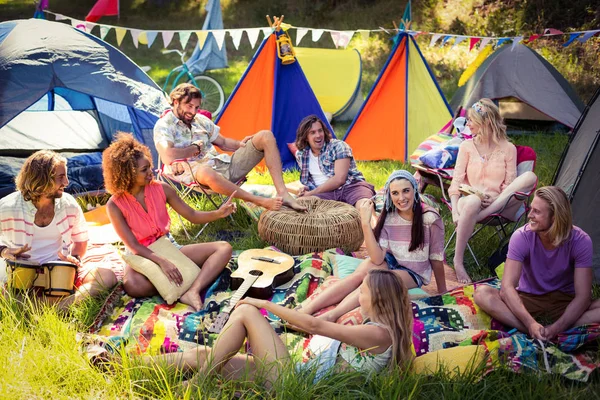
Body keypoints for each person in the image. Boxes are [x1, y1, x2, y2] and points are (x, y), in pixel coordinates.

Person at [144, 269, 414, 386]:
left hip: (293, 384)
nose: (358, 297)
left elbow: (313, 324)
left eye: (362, 292)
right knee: (204, 356)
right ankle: (132, 366)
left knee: (248, 310)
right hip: (296, 373)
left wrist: (266, 304)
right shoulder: (379, 328)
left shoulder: (377, 334)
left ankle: (199, 384)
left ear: (377, 299)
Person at [103, 134, 234, 311]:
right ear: (127, 173)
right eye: (144, 170)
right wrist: (162, 262)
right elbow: (133, 245)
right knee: (133, 285)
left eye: (149, 166)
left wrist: (218, 214)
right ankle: (183, 277)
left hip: (169, 246)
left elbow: (192, 214)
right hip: (141, 254)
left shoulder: (162, 188)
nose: (151, 172)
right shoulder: (114, 205)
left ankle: (192, 290)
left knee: (224, 248)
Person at [299, 170, 447, 322]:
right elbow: (377, 259)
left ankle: (331, 316)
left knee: (371, 283)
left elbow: (436, 257)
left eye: (406, 191)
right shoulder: (389, 214)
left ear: (415, 189)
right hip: (389, 260)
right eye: (395, 193)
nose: (401, 198)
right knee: (357, 276)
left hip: (412, 271)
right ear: (390, 195)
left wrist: (443, 291)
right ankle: (305, 310)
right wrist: (365, 223)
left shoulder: (430, 218)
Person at [154, 83, 305, 212]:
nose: (193, 112)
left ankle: (283, 193)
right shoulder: (164, 125)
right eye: (189, 106)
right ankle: (258, 200)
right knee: (206, 171)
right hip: (197, 176)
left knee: (265, 136)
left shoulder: (200, 120)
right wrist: (193, 149)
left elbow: (224, 143)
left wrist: (240, 144)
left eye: (197, 107)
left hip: (224, 166)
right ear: (175, 102)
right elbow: (167, 155)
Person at [474, 186, 600, 340]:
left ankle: (555, 330)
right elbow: (507, 288)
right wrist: (530, 324)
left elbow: (583, 297)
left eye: (537, 212)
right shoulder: (521, 237)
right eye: (531, 209)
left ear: (555, 217)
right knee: (482, 293)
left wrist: (556, 327)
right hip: (528, 299)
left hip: (565, 302)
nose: (530, 215)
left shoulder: (580, 240)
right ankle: (533, 331)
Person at [0, 150, 117, 307]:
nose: (67, 182)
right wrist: (4, 251)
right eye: (61, 177)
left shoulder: (68, 204)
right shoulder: (7, 207)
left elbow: (80, 241)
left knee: (106, 276)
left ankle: (48, 305)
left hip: (59, 272)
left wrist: (76, 258)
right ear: (41, 179)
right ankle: (59, 305)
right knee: (5, 291)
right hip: (21, 274)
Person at [448, 99, 537, 284]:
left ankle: (483, 213)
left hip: (500, 204)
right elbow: (455, 183)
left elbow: (509, 184)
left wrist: (493, 199)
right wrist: (455, 211)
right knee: (473, 201)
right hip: (469, 201)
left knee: (530, 177)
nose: (468, 124)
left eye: (471, 120)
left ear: (486, 122)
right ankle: (458, 262)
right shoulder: (466, 147)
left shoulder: (508, 149)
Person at [294, 115, 375, 210]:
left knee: (365, 208)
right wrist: (306, 189)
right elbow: (313, 180)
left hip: (351, 187)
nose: (318, 135)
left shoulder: (338, 146)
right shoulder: (302, 155)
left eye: (320, 130)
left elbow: (339, 180)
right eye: (312, 133)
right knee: (299, 205)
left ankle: (370, 225)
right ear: (306, 137)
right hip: (325, 194)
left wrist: (311, 193)